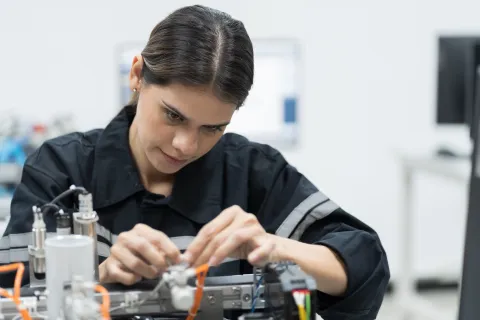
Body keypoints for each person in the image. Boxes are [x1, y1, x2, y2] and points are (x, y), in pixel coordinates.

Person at [0, 5, 389, 319]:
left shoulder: (252, 171)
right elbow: (12, 299)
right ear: (137, 75)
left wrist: (275, 247)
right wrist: (97, 281)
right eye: (173, 115)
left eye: (212, 127)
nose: (186, 145)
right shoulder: (62, 168)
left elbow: (364, 265)